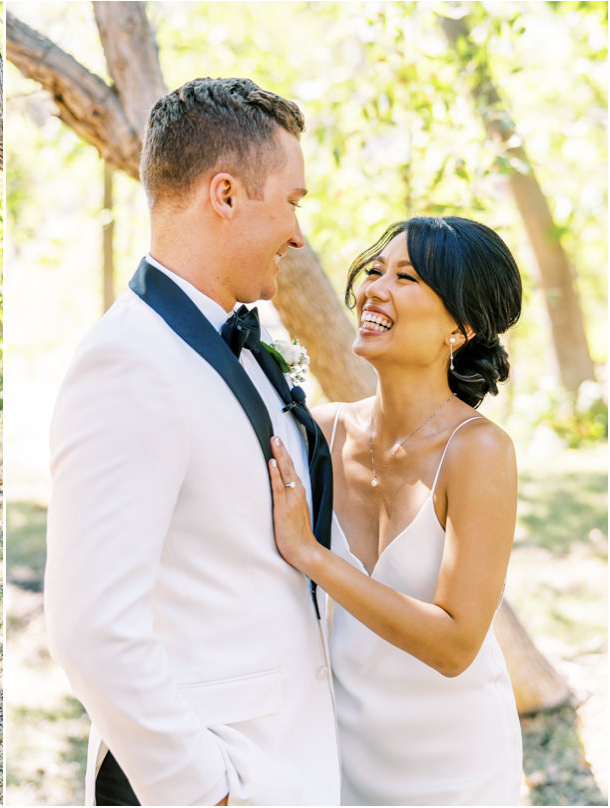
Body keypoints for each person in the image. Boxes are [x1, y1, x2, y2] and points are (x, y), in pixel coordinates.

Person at [45, 77, 340, 806]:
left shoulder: (230, 336)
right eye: (291, 201)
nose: (297, 233)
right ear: (226, 194)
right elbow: (91, 629)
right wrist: (205, 792)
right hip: (213, 777)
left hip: (282, 758)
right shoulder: (126, 362)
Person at [267, 216, 524, 805]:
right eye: (375, 270)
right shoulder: (322, 432)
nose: (374, 289)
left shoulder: (479, 451)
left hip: (455, 770)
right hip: (341, 757)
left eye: (406, 277)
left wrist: (312, 555)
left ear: (460, 327)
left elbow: (455, 645)